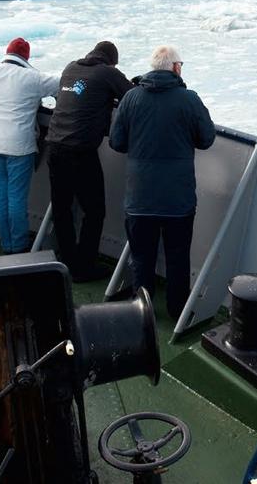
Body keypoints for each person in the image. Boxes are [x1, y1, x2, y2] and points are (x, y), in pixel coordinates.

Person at [109, 44, 215, 321]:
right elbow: (206, 139)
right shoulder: (189, 99)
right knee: (178, 258)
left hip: (139, 197)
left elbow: (117, 142)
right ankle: (177, 311)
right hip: (177, 200)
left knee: (141, 258)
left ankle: (141, 314)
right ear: (176, 68)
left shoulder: (131, 98)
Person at [45, 39, 132, 282]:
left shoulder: (70, 68)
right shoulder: (107, 73)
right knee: (94, 211)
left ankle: (66, 263)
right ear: (111, 61)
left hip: (54, 146)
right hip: (80, 151)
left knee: (62, 210)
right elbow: (131, 95)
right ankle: (83, 267)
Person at [0, 38, 60, 254]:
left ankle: (6, 244)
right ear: (26, 56)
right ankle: (20, 245)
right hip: (17, 146)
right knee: (16, 197)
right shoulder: (33, 78)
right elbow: (63, 83)